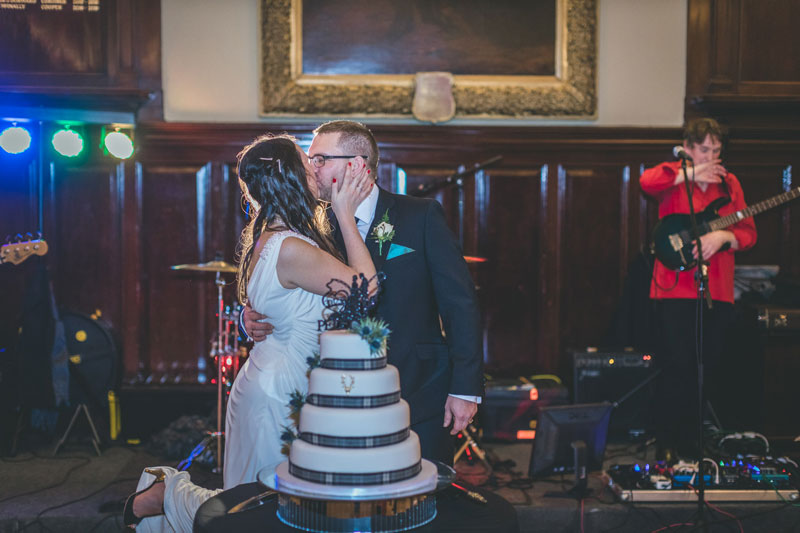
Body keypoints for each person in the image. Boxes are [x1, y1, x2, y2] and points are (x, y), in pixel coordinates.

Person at [123, 134, 374, 531]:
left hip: (277, 379)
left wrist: (245, 319)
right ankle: (168, 493)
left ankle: (166, 498)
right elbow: (365, 289)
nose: (315, 170)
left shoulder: (276, 238)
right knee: (260, 508)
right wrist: (345, 214)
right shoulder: (290, 246)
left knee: (270, 504)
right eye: (308, 164)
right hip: (278, 391)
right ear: (292, 177)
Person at [244, 120, 484, 465]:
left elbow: (460, 303)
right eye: (311, 160)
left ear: (356, 164)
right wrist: (250, 317)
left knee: (422, 500)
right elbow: (282, 289)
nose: (311, 168)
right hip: (336, 395)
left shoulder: (420, 215)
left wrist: (465, 387)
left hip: (417, 385)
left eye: (320, 159)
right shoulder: (311, 230)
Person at [640, 118, 757, 459]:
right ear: (689, 148)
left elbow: (749, 233)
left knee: (707, 368)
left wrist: (725, 236)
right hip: (674, 289)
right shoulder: (674, 175)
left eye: (716, 150)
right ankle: (667, 447)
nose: (711, 156)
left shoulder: (729, 183)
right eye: (704, 149)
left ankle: (694, 447)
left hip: (716, 290)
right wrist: (689, 173)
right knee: (677, 367)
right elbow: (647, 182)